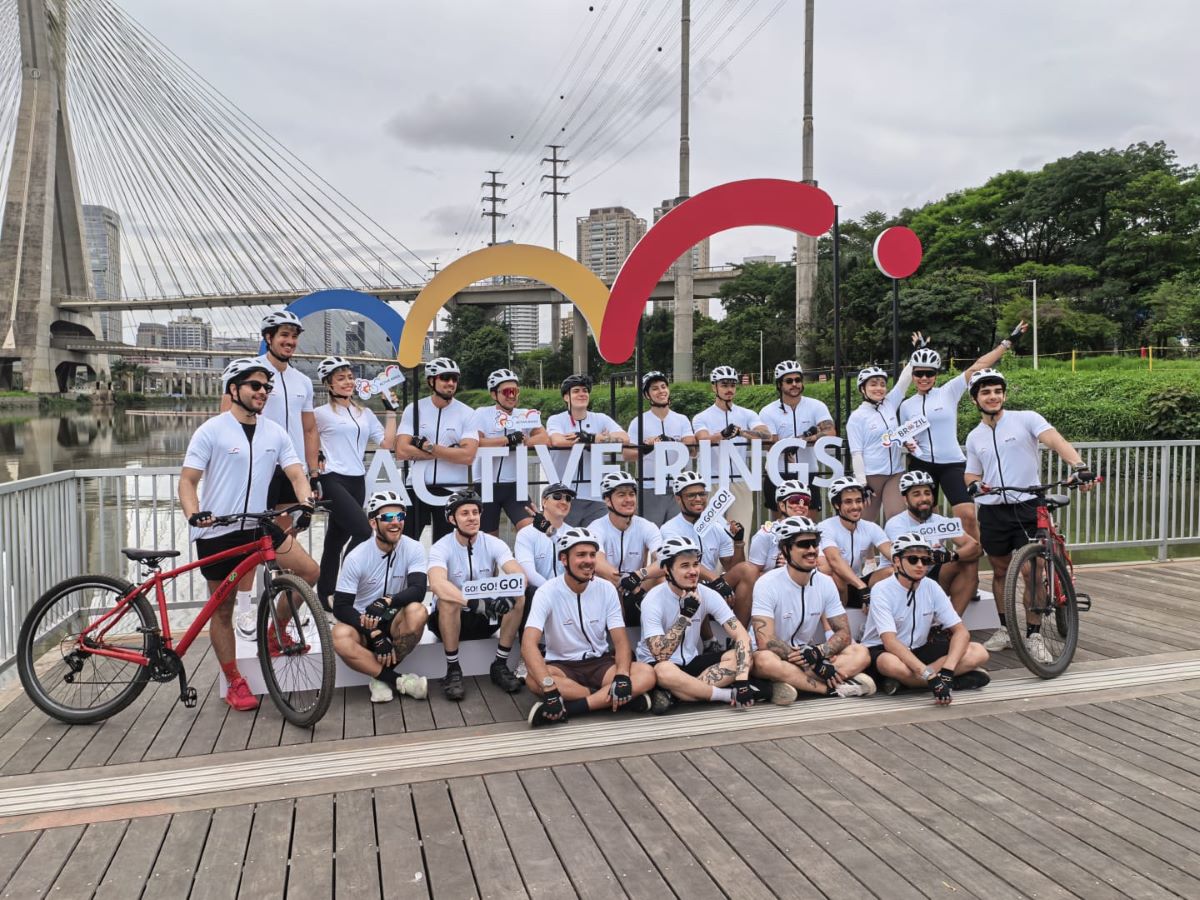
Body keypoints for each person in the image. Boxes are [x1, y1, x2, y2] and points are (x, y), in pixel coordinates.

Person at [179, 358, 317, 712]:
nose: (263, 392)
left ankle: (274, 634)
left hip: (260, 526)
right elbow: (188, 481)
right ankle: (233, 680)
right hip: (220, 530)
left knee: (308, 571)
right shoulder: (211, 430)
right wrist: (194, 514)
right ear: (233, 390)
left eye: (267, 387)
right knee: (221, 611)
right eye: (255, 386)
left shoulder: (275, 432)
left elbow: (297, 473)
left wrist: (306, 500)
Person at [963, 368, 1096, 661]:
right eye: (985, 392)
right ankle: (1006, 629)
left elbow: (1055, 440)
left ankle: (1034, 634)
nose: (993, 396)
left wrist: (1078, 466)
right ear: (975, 400)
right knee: (999, 571)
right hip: (993, 509)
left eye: (997, 390)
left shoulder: (1026, 419)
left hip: (1027, 504)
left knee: (1032, 571)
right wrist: (973, 484)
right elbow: (971, 472)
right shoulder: (975, 436)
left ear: (1004, 394)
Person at [223, 311, 320, 630]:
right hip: (257, 469)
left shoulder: (303, 380)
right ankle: (246, 607)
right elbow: (226, 420)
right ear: (268, 338)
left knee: (283, 538)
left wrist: (312, 472)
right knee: (250, 536)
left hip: (291, 470)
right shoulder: (250, 374)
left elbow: (308, 429)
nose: (290, 342)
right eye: (284, 335)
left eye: (294, 336)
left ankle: (285, 601)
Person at [899, 323, 1029, 542]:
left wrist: (1008, 343)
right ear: (912, 375)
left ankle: (973, 559)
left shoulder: (948, 392)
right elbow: (904, 435)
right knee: (928, 519)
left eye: (929, 374)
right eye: (919, 373)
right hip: (921, 464)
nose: (924, 378)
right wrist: (906, 442)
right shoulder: (905, 405)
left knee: (967, 515)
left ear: (936, 375)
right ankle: (935, 565)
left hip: (952, 463)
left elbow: (979, 365)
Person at [523, 528, 657, 727]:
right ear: (563, 559)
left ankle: (571, 708)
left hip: (600, 664)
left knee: (647, 673)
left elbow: (620, 642)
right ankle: (614, 699)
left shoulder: (607, 589)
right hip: (562, 666)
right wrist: (550, 687)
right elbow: (528, 644)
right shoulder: (546, 592)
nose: (588, 560)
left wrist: (621, 676)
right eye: (580, 555)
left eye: (592, 555)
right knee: (534, 680)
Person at [749, 516, 876, 702]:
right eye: (803, 544)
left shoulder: (825, 583)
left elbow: (844, 633)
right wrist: (812, 663)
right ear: (786, 549)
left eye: (815, 543)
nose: (811, 550)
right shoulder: (766, 583)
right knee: (764, 661)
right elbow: (765, 641)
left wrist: (818, 653)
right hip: (774, 655)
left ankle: (795, 684)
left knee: (861, 653)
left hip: (808, 655)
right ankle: (832, 688)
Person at [860, 534, 992, 703]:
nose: (921, 565)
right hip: (886, 650)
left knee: (979, 652)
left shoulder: (931, 586)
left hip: (919, 648)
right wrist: (929, 676)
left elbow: (961, 632)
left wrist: (947, 671)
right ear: (897, 562)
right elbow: (890, 642)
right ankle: (938, 682)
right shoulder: (882, 589)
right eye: (913, 559)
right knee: (889, 663)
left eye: (926, 560)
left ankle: (912, 683)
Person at [313, 356, 398, 608]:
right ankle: (343, 588)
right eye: (341, 378)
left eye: (350, 377)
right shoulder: (320, 414)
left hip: (357, 479)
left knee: (335, 541)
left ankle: (324, 594)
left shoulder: (365, 413)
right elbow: (304, 438)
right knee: (363, 531)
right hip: (331, 478)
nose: (348, 382)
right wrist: (313, 467)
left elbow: (386, 444)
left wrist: (391, 411)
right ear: (328, 384)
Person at [636, 537, 757, 710]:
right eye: (685, 566)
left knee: (741, 655)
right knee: (664, 671)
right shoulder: (653, 600)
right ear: (667, 570)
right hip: (661, 665)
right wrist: (685, 616)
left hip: (691, 662)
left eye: (695, 564)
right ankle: (725, 695)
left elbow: (741, 634)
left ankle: (678, 694)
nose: (693, 571)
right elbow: (660, 655)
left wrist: (742, 680)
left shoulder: (708, 594)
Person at [426, 489, 526, 700]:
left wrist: (507, 595)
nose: (472, 517)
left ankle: (499, 665)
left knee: (519, 597)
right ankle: (453, 670)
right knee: (447, 600)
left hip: (485, 618)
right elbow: (436, 583)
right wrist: (473, 602)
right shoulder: (441, 546)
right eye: (465, 513)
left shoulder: (494, 543)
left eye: (475, 512)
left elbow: (519, 575)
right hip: (449, 620)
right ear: (452, 518)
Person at [330, 492, 428, 704]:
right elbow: (341, 606)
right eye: (387, 518)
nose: (395, 523)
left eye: (399, 517)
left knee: (418, 612)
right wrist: (373, 632)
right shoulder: (357, 556)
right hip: (363, 622)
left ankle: (379, 676)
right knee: (339, 636)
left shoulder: (414, 547)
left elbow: (419, 589)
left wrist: (387, 601)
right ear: (373, 522)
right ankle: (396, 679)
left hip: (393, 619)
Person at [395, 357, 479, 542]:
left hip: (452, 489)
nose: (451, 383)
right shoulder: (414, 408)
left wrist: (428, 446)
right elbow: (401, 451)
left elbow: (467, 456)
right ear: (431, 381)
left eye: (454, 379)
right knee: (404, 543)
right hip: (416, 486)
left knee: (446, 547)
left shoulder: (468, 413)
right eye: (445, 378)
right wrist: (449, 452)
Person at [884, 470, 982, 615]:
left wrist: (951, 556)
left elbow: (975, 547)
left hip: (932, 575)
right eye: (916, 494)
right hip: (903, 577)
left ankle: (950, 625)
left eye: (927, 493)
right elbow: (908, 557)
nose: (924, 498)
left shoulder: (940, 521)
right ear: (905, 499)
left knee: (969, 561)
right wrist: (933, 554)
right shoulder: (896, 523)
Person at [692, 365, 772, 532]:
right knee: (710, 532)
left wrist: (741, 432)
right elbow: (703, 439)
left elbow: (766, 435)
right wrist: (722, 434)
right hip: (712, 480)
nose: (729, 389)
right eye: (724, 385)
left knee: (740, 532)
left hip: (739, 479)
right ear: (714, 387)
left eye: (732, 385)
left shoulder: (747, 414)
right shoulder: (702, 417)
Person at [659, 472, 749, 618]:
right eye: (691, 495)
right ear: (678, 499)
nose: (698, 499)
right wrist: (717, 580)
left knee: (747, 570)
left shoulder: (718, 525)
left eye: (702, 494)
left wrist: (738, 542)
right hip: (686, 584)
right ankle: (708, 640)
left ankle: (740, 637)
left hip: (714, 585)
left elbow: (732, 568)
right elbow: (684, 563)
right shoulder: (669, 529)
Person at [471, 368, 549, 535]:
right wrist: (507, 440)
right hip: (486, 484)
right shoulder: (481, 414)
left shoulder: (525, 414)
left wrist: (526, 441)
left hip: (515, 485)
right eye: (507, 391)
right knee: (488, 538)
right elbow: (476, 443)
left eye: (515, 391)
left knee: (531, 531)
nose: (512, 395)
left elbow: (544, 437)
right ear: (494, 394)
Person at [727, 479, 817, 621]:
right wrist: (780, 571)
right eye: (794, 500)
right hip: (769, 589)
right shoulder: (766, 534)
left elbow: (822, 567)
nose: (801, 506)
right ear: (781, 505)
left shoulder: (813, 532)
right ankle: (739, 637)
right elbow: (751, 576)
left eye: (805, 501)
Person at [546, 374, 629, 525]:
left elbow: (624, 438)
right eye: (576, 391)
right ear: (566, 397)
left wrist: (591, 438)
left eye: (585, 390)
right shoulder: (556, 419)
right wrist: (598, 439)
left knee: (595, 543)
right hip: (565, 495)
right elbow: (557, 440)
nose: (582, 394)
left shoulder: (600, 418)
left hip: (595, 495)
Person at [759, 360, 835, 520]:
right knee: (781, 528)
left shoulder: (816, 406)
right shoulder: (768, 411)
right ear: (779, 384)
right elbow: (771, 445)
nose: (794, 384)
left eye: (798, 380)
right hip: (778, 473)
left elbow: (830, 432)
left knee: (810, 525)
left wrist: (802, 440)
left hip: (808, 472)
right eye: (789, 381)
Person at [587, 471, 665, 626]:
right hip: (611, 585)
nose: (629, 499)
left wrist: (638, 575)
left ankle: (660, 638)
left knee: (664, 579)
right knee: (608, 585)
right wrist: (624, 580)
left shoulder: (647, 526)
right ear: (608, 500)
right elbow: (599, 563)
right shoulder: (596, 527)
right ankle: (620, 646)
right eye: (621, 495)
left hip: (638, 583)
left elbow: (664, 560)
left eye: (631, 494)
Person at [846, 355, 915, 523]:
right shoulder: (857, 417)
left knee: (897, 519)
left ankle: (896, 549)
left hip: (895, 473)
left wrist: (916, 355)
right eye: (873, 384)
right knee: (864, 523)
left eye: (882, 384)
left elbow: (904, 381)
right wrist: (863, 484)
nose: (879, 388)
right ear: (863, 389)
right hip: (872, 476)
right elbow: (856, 453)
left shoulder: (889, 403)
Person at [624, 371, 697, 525]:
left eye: (663, 386)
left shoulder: (681, 419)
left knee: (677, 538)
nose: (661, 391)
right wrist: (647, 447)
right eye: (655, 388)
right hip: (650, 487)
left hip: (678, 488)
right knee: (651, 537)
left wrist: (671, 442)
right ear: (647, 395)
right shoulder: (638, 421)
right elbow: (627, 454)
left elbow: (692, 449)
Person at [818, 477, 894, 609]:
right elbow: (834, 559)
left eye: (858, 501)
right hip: (838, 585)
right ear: (836, 505)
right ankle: (838, 618)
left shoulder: (871, 527)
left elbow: (893, 553)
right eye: (848, 502)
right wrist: (861, 586)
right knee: (834, 573)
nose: (855, 506)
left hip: (858, 581)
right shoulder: (825, 527)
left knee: (892, 571)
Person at [514, 482, 575, 595]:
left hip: (570, 594)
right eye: (557, 496)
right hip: (539, 595)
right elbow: (529, 573)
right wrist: (553, 592)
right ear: (544, 501)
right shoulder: (526, 533)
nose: (564, 502)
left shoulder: (574, 533)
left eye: (568, 498)